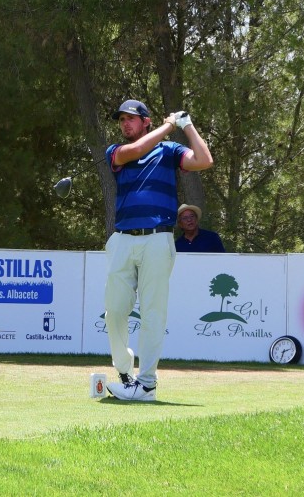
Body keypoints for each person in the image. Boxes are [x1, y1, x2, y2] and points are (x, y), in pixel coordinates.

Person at [104, 99, 213, 401]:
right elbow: (136, 151)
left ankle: (147, 383)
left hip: (157, 239)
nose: (125, 124)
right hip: (124, 238)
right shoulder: (115, 152)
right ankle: (126, 374)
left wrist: (186, 124)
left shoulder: (169, 151)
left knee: (153, 313)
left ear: (145, 121)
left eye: (131, 119)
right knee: (114, 310)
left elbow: (204, 160)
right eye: (122, 119)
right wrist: (169, 125)